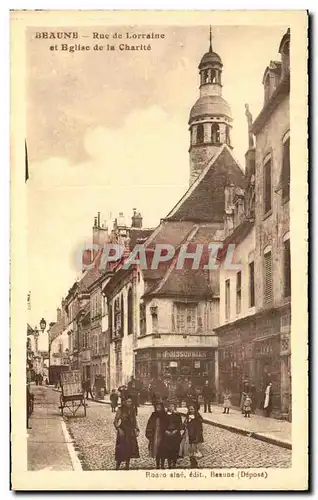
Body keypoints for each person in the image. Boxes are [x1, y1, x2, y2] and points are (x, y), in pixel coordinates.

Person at [113, 396, 140, 470]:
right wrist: (118, 429)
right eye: (128, 402)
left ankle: (127, 466)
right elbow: (115, 421)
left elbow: (134, 420)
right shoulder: (120, 410)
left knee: (129, 449)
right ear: (124, 402)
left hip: (130, 431)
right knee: (121, 449)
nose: (129, 403)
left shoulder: (132, 409)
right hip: (123, 431)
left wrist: (136, 429)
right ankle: (117, 466)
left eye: (130, 402)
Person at [179, 404, 204, 468]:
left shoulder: (198, 417)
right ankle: (192, 462)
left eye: (192, 409)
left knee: (194, 449)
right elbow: (185, 424)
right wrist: (183, 426)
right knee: (189, 449)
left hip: (195, 435)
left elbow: (199, 428)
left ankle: (194, 463)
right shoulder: (188, 416)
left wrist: (194, 419)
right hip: (188, 435)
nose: (191, 410)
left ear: (195, 410)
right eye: (189, 409)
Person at [145, 401, 167, 469]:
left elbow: (168, 424)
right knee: (156, 450)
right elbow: (149, 424)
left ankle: (162, 464)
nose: (158, 409)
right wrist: (149, 433)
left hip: (163, 435)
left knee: (163, 450)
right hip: (155, 435)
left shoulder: (165, 415)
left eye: (160, 408)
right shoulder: (154, 415)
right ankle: (157, 464)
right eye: (157, 407)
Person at [163, 402, 182, 469]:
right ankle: (169, 463)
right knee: (168, 449)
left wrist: (176, 430)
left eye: (172, 406)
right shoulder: (165, 415)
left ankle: (174, 463)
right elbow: (162, 425)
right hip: (167, 434)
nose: (171, 408)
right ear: (167, 407)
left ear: (174, 407)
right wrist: (166, 431)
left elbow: (180, 425)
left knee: (175, 449)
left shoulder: (177, 415)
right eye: (170, 406)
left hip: (175, 434)